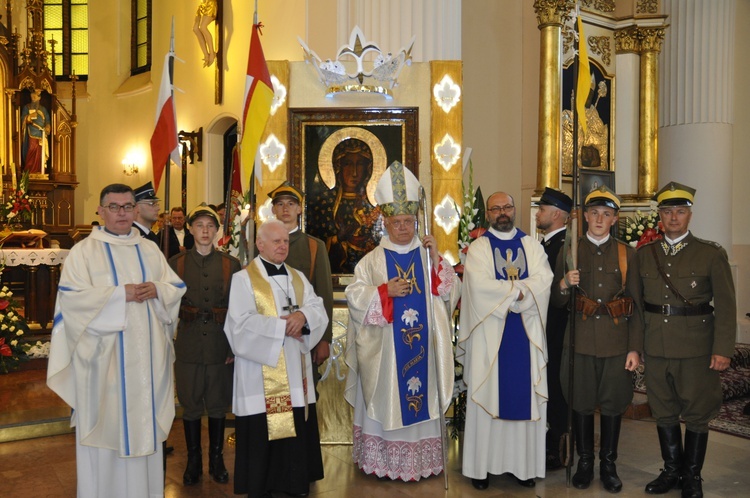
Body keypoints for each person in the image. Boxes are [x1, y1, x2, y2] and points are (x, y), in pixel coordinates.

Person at [46, 183, 186, 497]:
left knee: (143, 434)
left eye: (127, 207)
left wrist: (157, 291)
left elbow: (174, 287)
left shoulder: (149, 249)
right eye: (114, 206)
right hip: (102, 370)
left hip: (147, 370)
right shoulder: (84, 252)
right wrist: (119, 295)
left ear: (136, 210)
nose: (121, 213)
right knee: (105, 437)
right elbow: (70, 301)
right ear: (100, 210)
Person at [344, 161, 460, 481]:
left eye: (410, 221)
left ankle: (420, 462)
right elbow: (356, 298)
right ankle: (385, 460)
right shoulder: (372, 261)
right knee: (388, 398)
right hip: (387, 356)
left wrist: (437, 260)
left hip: (425, 352)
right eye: (398, 222)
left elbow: (449, 293)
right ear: (385, 221)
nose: (405, 228)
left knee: (422, 393)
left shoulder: (426, 255)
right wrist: (384, 292)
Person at [638, 182, 736, 498]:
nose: (674, 217)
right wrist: (637, 347)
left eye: (680, 211)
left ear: (689, 214)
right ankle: (671, 471)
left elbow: (726, 305)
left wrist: (722, 349)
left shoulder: (710, 254)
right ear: (660, 215)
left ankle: (692, 476)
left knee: (697, 411)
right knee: (663, 409)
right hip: (656, 344)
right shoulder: (645, 255)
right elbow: (638, 306)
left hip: (696, 347)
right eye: (667, 211)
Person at [224, 218, 328, 497]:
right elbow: (238, 325)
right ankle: (261, 485)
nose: (282, 246)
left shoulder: (298, 277)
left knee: (294, 430)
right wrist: (283, 326)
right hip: (260, 374)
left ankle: (293, 484)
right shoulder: (244, 279)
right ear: (260, 244)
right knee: (262, 432)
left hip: (294, 370)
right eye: (276, 241)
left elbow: (317, 307)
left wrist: (303, 317)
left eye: (285, 241)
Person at [551, 185, 644, 493]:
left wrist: (635, 348)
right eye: (594, 213)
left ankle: (608, 464)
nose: (599, 219)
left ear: (615, 219)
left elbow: (636, 305)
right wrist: (564, 283)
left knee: (614, 404)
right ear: (585, 216)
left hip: (616, 343)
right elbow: (556, 301)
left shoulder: (626, 253)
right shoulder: (571, 249)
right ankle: (585, 463)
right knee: (580, 401)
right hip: (580, 341)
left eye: (606, 214)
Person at [458, 191, 553, 489]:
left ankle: (522, 468)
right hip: (490, 337)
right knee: (488, 397)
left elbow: (544, 279)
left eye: (507, 207)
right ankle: (481, 468)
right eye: (495, 208)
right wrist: (518, 292)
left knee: (522, 400)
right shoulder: (478, 249)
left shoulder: (531, 245)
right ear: (487, 214)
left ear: (514, 210)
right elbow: (478, 286)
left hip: (525, 333)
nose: (502, 212)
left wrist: (518, 295)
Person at [168, 205, 240, 486]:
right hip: (188, 343)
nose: (205, 231)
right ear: (190, 229)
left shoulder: (230, 265)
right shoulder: (176, 263)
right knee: (191, 404)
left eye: (210, 226)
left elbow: (238, 309)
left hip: (220, 345)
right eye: (199, 225)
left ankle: (217, 459)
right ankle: (194, 460)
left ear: (217, 230)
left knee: (219, 405)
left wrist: (234, 347)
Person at [269, 181, 334, 384]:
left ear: (299, 209)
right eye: (280, 204)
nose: (285, 208)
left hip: (306, 335)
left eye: (291, 203)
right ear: (273, 210)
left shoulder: (314, 246)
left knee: (305, 392)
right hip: (271, 334)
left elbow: (324, 294)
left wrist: (324, 339)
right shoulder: (262, 244)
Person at [534, 186, 573, 471]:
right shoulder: (544, 245)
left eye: (543, 209)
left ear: (557, 215)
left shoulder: (565, 247)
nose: (538, 213)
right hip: (543, 326)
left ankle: (558, 448)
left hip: (558, 329)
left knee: (557, 387)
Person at [307, 138, 380, 273]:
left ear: (368, 168)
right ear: (337, 167)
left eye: (359, 165)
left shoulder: (376, 204)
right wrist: (337, 239)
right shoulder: (323, 204)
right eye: (348, 164)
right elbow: (312, 245)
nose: (354, 172)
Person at [21, 88, 51, 174]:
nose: (33, 98)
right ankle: (29, 171)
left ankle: (39, 170)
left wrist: (48, 126)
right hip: (31, 132)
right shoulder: (27, 107)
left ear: (39, 98)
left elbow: (48, 120)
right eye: (32, 95)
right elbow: (23, 118)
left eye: (35, 96)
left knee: (40, 152)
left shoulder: (43, 109)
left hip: (41, 133)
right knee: (31, 149)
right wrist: (29, 117)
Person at [193, 0, 218, 67]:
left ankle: (212, 53)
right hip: (202, 4)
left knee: (203, 27)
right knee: (195, 29)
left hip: (210, 3)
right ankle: (206, 55)